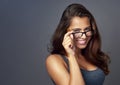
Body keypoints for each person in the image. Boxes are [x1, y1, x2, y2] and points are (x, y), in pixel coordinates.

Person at [46, 3, 110, 85]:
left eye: (87, 29)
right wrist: (71, 55)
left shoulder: (90, 54)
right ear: (65, 32)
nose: (83, 36)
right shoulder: (54, 60)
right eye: (76, 31)